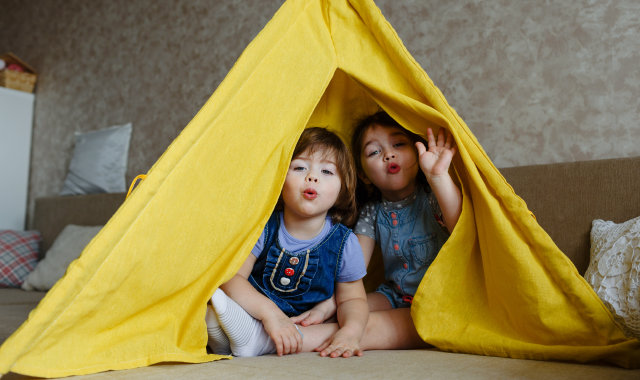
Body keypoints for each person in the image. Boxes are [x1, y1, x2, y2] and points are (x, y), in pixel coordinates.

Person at [298, 111, 462, 354]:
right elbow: (354, 271)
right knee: (346, 309)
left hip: (440, 305)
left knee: (365, 325)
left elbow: (463, 231)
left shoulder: (433, 198)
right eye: (374, 152)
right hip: (395, 296)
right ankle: (269, 326)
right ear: (363, 174)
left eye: (398, 144)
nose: (389, 154)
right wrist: (328, 306)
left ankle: (268, 341)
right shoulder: (372, 212)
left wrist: (438, 176)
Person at [206, 127, 369, 358]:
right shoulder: (263, 227)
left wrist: (351, 332)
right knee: (223, 298)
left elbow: (353, 299)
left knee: (337, 318)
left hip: (304, 324)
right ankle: (227, 334)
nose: (312, 176)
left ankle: (237, 334)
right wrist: (270, 314)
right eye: (300, 167)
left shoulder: (345, 243)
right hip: (257, 310)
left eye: (327, 171)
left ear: (342, 190)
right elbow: (232, 278)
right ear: (280, 180)